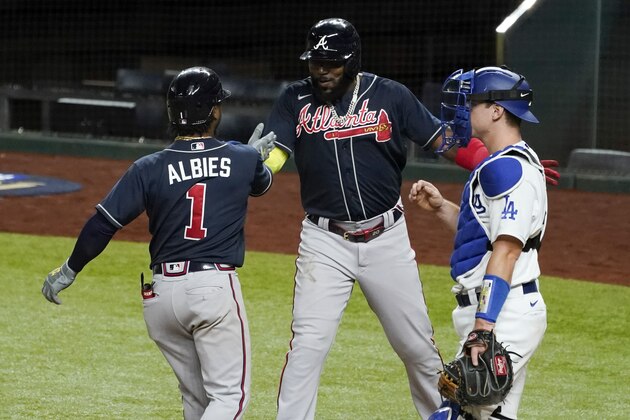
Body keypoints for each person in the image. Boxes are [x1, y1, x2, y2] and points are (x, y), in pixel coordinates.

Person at [251, 18, 558, 419]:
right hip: (325, 242)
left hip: (385, 239)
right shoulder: (295, 99)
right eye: (316, 62)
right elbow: (275, 156)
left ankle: (448, 414)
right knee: (308, 345)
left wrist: (496, 161)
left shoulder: (390, 96)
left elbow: (444, 141)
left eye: (332, 62)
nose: (322, 70)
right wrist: (259, 171)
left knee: (416, 347)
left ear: (352, 60)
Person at [41, 66, 275, 420]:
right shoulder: (241, 157)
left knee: (197, 401)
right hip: (212, 290)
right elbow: (262, 184)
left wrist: (68, 270)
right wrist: (257, 156)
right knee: (229, 399)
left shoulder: (147, 167)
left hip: (160, 299)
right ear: (214, 111)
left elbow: (102, 225)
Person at [410, 66, 548, 420]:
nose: (463, 111)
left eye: (471, 103)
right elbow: (485, 238)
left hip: (504, 315)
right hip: (499, 310)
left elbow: (507, 250)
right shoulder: (499, 163)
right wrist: (442, 208)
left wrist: (484, 329)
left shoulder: (507, 170)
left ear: (497, 110)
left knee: (455, 413)